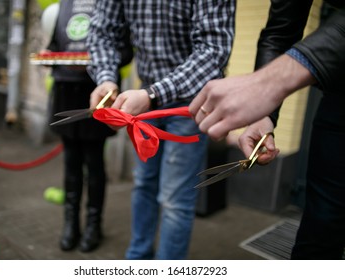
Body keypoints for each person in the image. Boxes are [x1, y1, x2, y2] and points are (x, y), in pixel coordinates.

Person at [190, 0, 345, 259]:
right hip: (339, 99)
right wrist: (265, 115)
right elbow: (280, 31)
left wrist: (273, 80)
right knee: (319, 232)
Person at [86, 0, 236, 259]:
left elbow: (213, 50)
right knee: (143, 184)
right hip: (143, 97)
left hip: (192, 102)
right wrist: (106, 78)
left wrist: (154, 94)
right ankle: (138, 259)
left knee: (174, 200)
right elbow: (103, 31)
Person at [45, 0, 133, 253]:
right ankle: (70, 225)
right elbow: (54, 45)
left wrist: (97, 62)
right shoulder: (63, 6)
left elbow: (126, 51)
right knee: (70, 163)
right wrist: (50, 55)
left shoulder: (109, 4)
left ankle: (94, 225)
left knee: (95, 164)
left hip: (97, 93)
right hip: (65, 89)